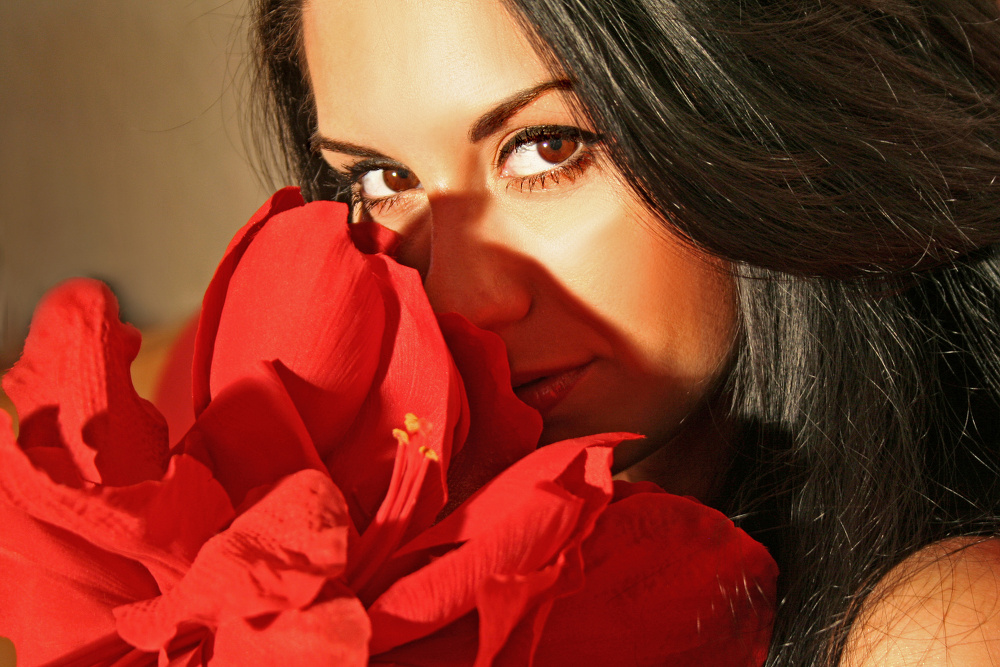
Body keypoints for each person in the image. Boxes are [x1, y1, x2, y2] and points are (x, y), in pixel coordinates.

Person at [247, 0, 1000, 664]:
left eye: (547, 146)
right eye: (385, 180)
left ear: (752, 105)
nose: (457, 300)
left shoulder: (942, 628)